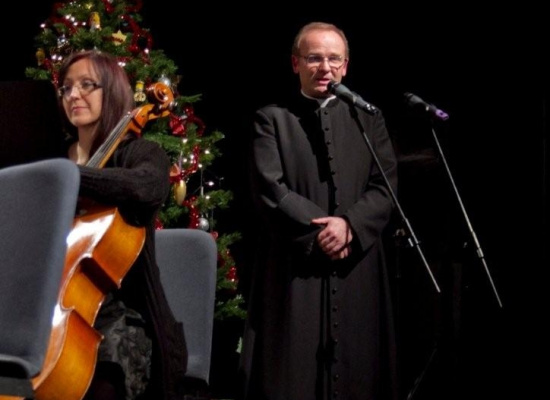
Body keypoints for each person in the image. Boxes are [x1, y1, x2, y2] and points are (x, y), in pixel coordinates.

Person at [238, 22, 399, 400]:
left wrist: (350, 226)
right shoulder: (271, 118)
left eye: (333, 59)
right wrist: (323, 233)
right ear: (295, 63)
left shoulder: (368, 119)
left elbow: (385, 185)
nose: (324, 67)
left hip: (356, 261)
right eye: (314, 58)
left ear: (345, 66)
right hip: (296, 266)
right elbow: (270, 189)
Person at [56, 49, 187, 400]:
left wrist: (67, 178)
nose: (74, 95)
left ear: (111, 90)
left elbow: (147, 187)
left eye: (87, 85)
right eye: (66, 88)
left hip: (127, 318)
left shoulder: (139, 154)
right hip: (59, 310)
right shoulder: (55, 157)